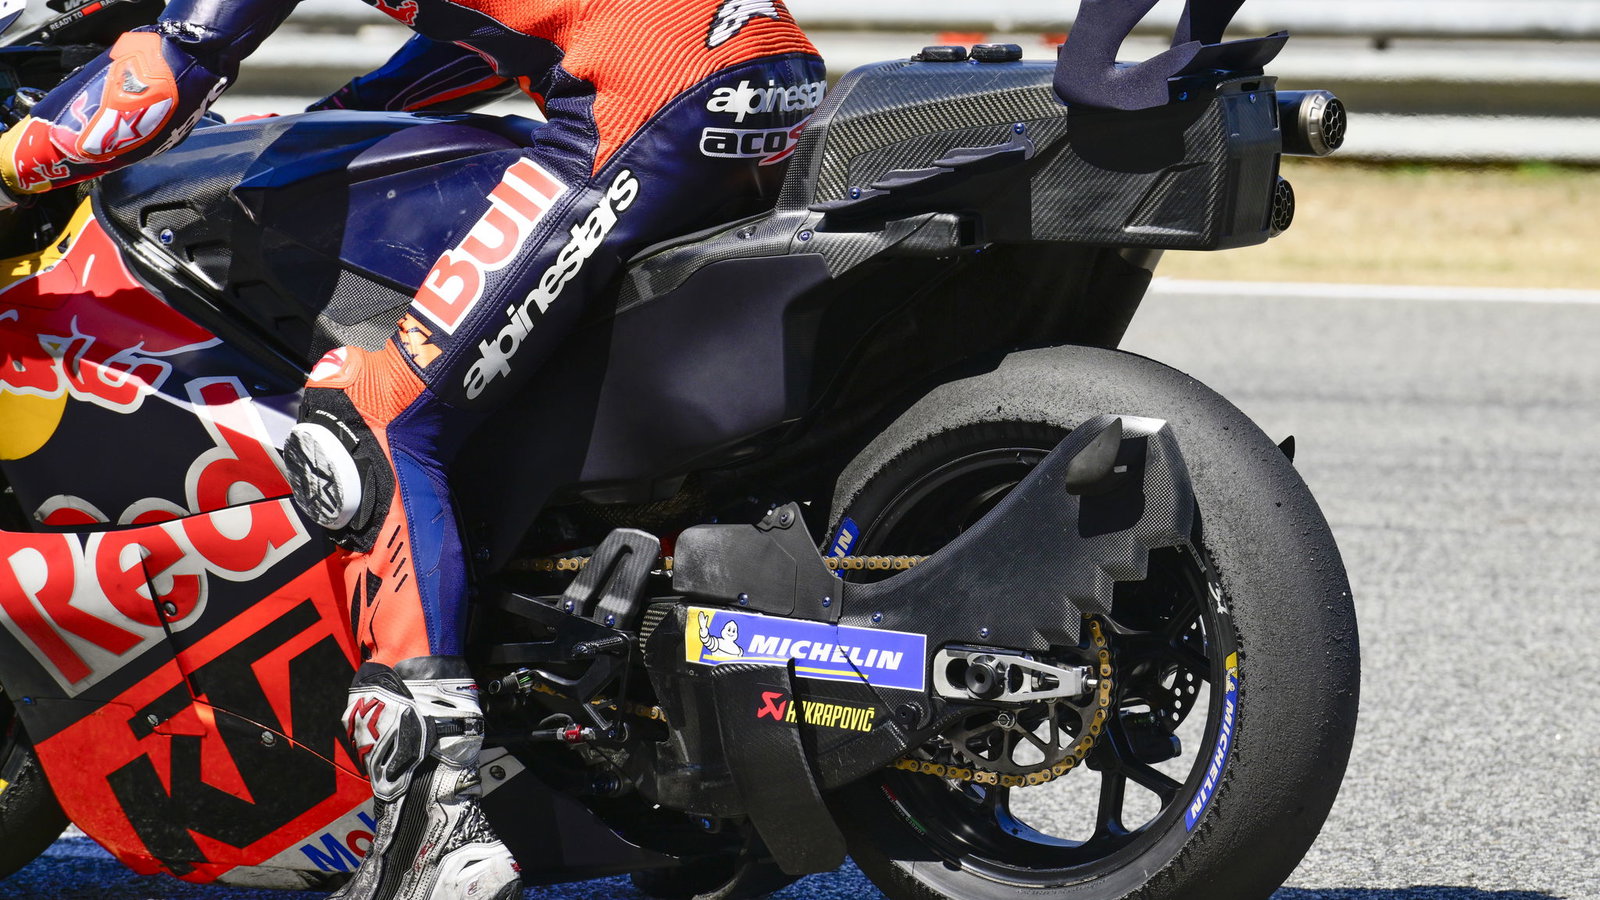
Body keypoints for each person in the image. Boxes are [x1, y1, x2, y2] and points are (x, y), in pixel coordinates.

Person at [0, 1, 823, 897]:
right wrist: (338, 114)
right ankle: (709, 785)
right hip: (754, 70)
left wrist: (11, 165)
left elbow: (165, 71)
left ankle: (438, 810)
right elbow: (478, 38)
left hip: (654, 93)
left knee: (374, 414)